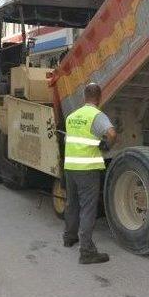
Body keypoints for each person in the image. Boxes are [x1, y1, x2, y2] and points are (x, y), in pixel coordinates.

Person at [63, 83, 116, 265]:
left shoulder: (72, 116)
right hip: (87, 169)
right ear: (99, 97)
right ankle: (86, 252)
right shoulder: (96, 115)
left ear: (84, 97)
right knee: (88, 208)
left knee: (72, 203)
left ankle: (69, 237)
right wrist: (106, 145)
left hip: (70, 167)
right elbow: (111, 133)